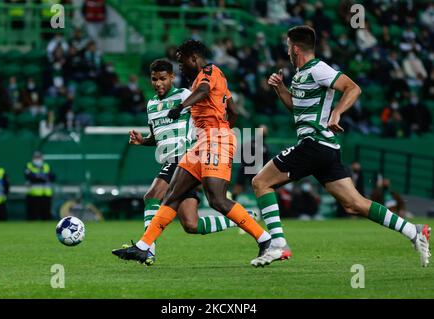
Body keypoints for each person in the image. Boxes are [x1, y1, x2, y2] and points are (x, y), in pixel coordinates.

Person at [251, 25, 430, 267]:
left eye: (287, 46)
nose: (286, 51)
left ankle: (278, 244)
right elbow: (296, 108)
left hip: (314, 144)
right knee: (354, 204)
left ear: (295, 48)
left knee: (260, 182)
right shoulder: (300, 75)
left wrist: (336, 112)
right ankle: (414, 230)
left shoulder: (318, 69)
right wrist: (280, 89)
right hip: (324, 148)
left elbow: (353, 88)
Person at [112, 40, 273, 266]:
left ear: (192, 59)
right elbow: (232, 109)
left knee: (204, 198)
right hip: (199, 148)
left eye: (180, 63)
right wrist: (144, 141)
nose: (179, 68)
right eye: (155, 78)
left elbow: (208, 92)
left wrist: (186, 110)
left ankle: (265, 239)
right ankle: (144, 246)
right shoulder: (162, 99)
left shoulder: (201, 80)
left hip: (205, 145)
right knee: (183, 212)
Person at [25, 151, 55, 220]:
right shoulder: (29, 166)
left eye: (39, 158)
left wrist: (38, 176)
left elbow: (53, 177)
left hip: (46, 195)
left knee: (46, 216)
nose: (37, 160)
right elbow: (30, 177)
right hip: (33, 195)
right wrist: (43, 177)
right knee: (32, 216)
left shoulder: (47, 166)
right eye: (36, 158)